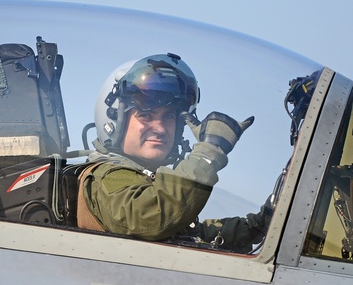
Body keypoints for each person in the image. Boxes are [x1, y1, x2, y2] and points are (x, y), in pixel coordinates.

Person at [76, 53, 272, 252]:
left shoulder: (143, 184)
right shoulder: (105, 176)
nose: (160, 128)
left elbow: (190, 235)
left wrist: (257, 226)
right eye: (145, 115)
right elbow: (150, 217)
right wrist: (208, 153)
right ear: (114, 120)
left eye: (168, 117)